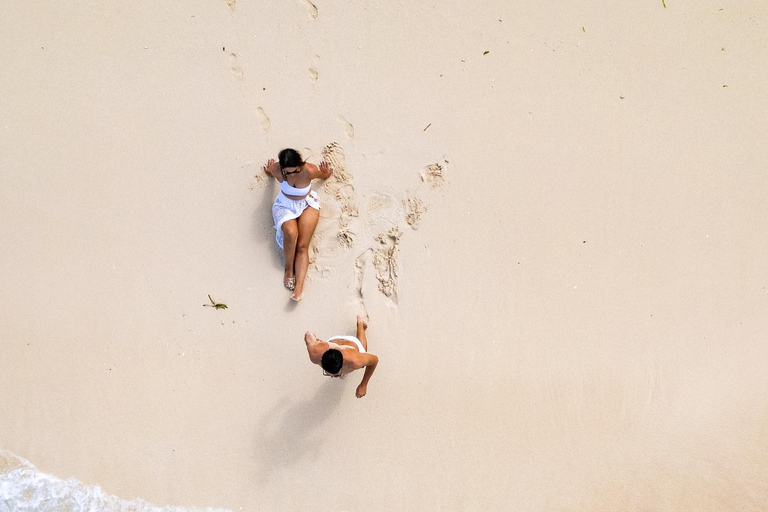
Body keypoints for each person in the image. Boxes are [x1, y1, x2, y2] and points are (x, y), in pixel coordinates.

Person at [264, 149, 332, 301]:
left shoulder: (309, 170)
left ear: (300, 164)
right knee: (290, 233)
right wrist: (269, 171)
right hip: (285, 206)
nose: (292, 175)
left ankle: (299, 288)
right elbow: (270, 172)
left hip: (306, 203)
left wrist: (326, 172)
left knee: (302, 245)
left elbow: (323, 175)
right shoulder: (277, 169)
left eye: (295, 171)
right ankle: (289, 268)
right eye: (288, 173)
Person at [304, 316, 379, 398]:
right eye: (327, 373)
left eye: (336, 374)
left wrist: (363, 384)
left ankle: (360, 324)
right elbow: (308, 335)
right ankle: (360, 324)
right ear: (321, 358)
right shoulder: (315, 353)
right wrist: (318, 342)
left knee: (363, 351)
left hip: (352, 343)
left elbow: (374, 360)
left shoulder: (355, 360)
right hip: (333, 340)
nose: (332, 376)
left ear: (344, 362)